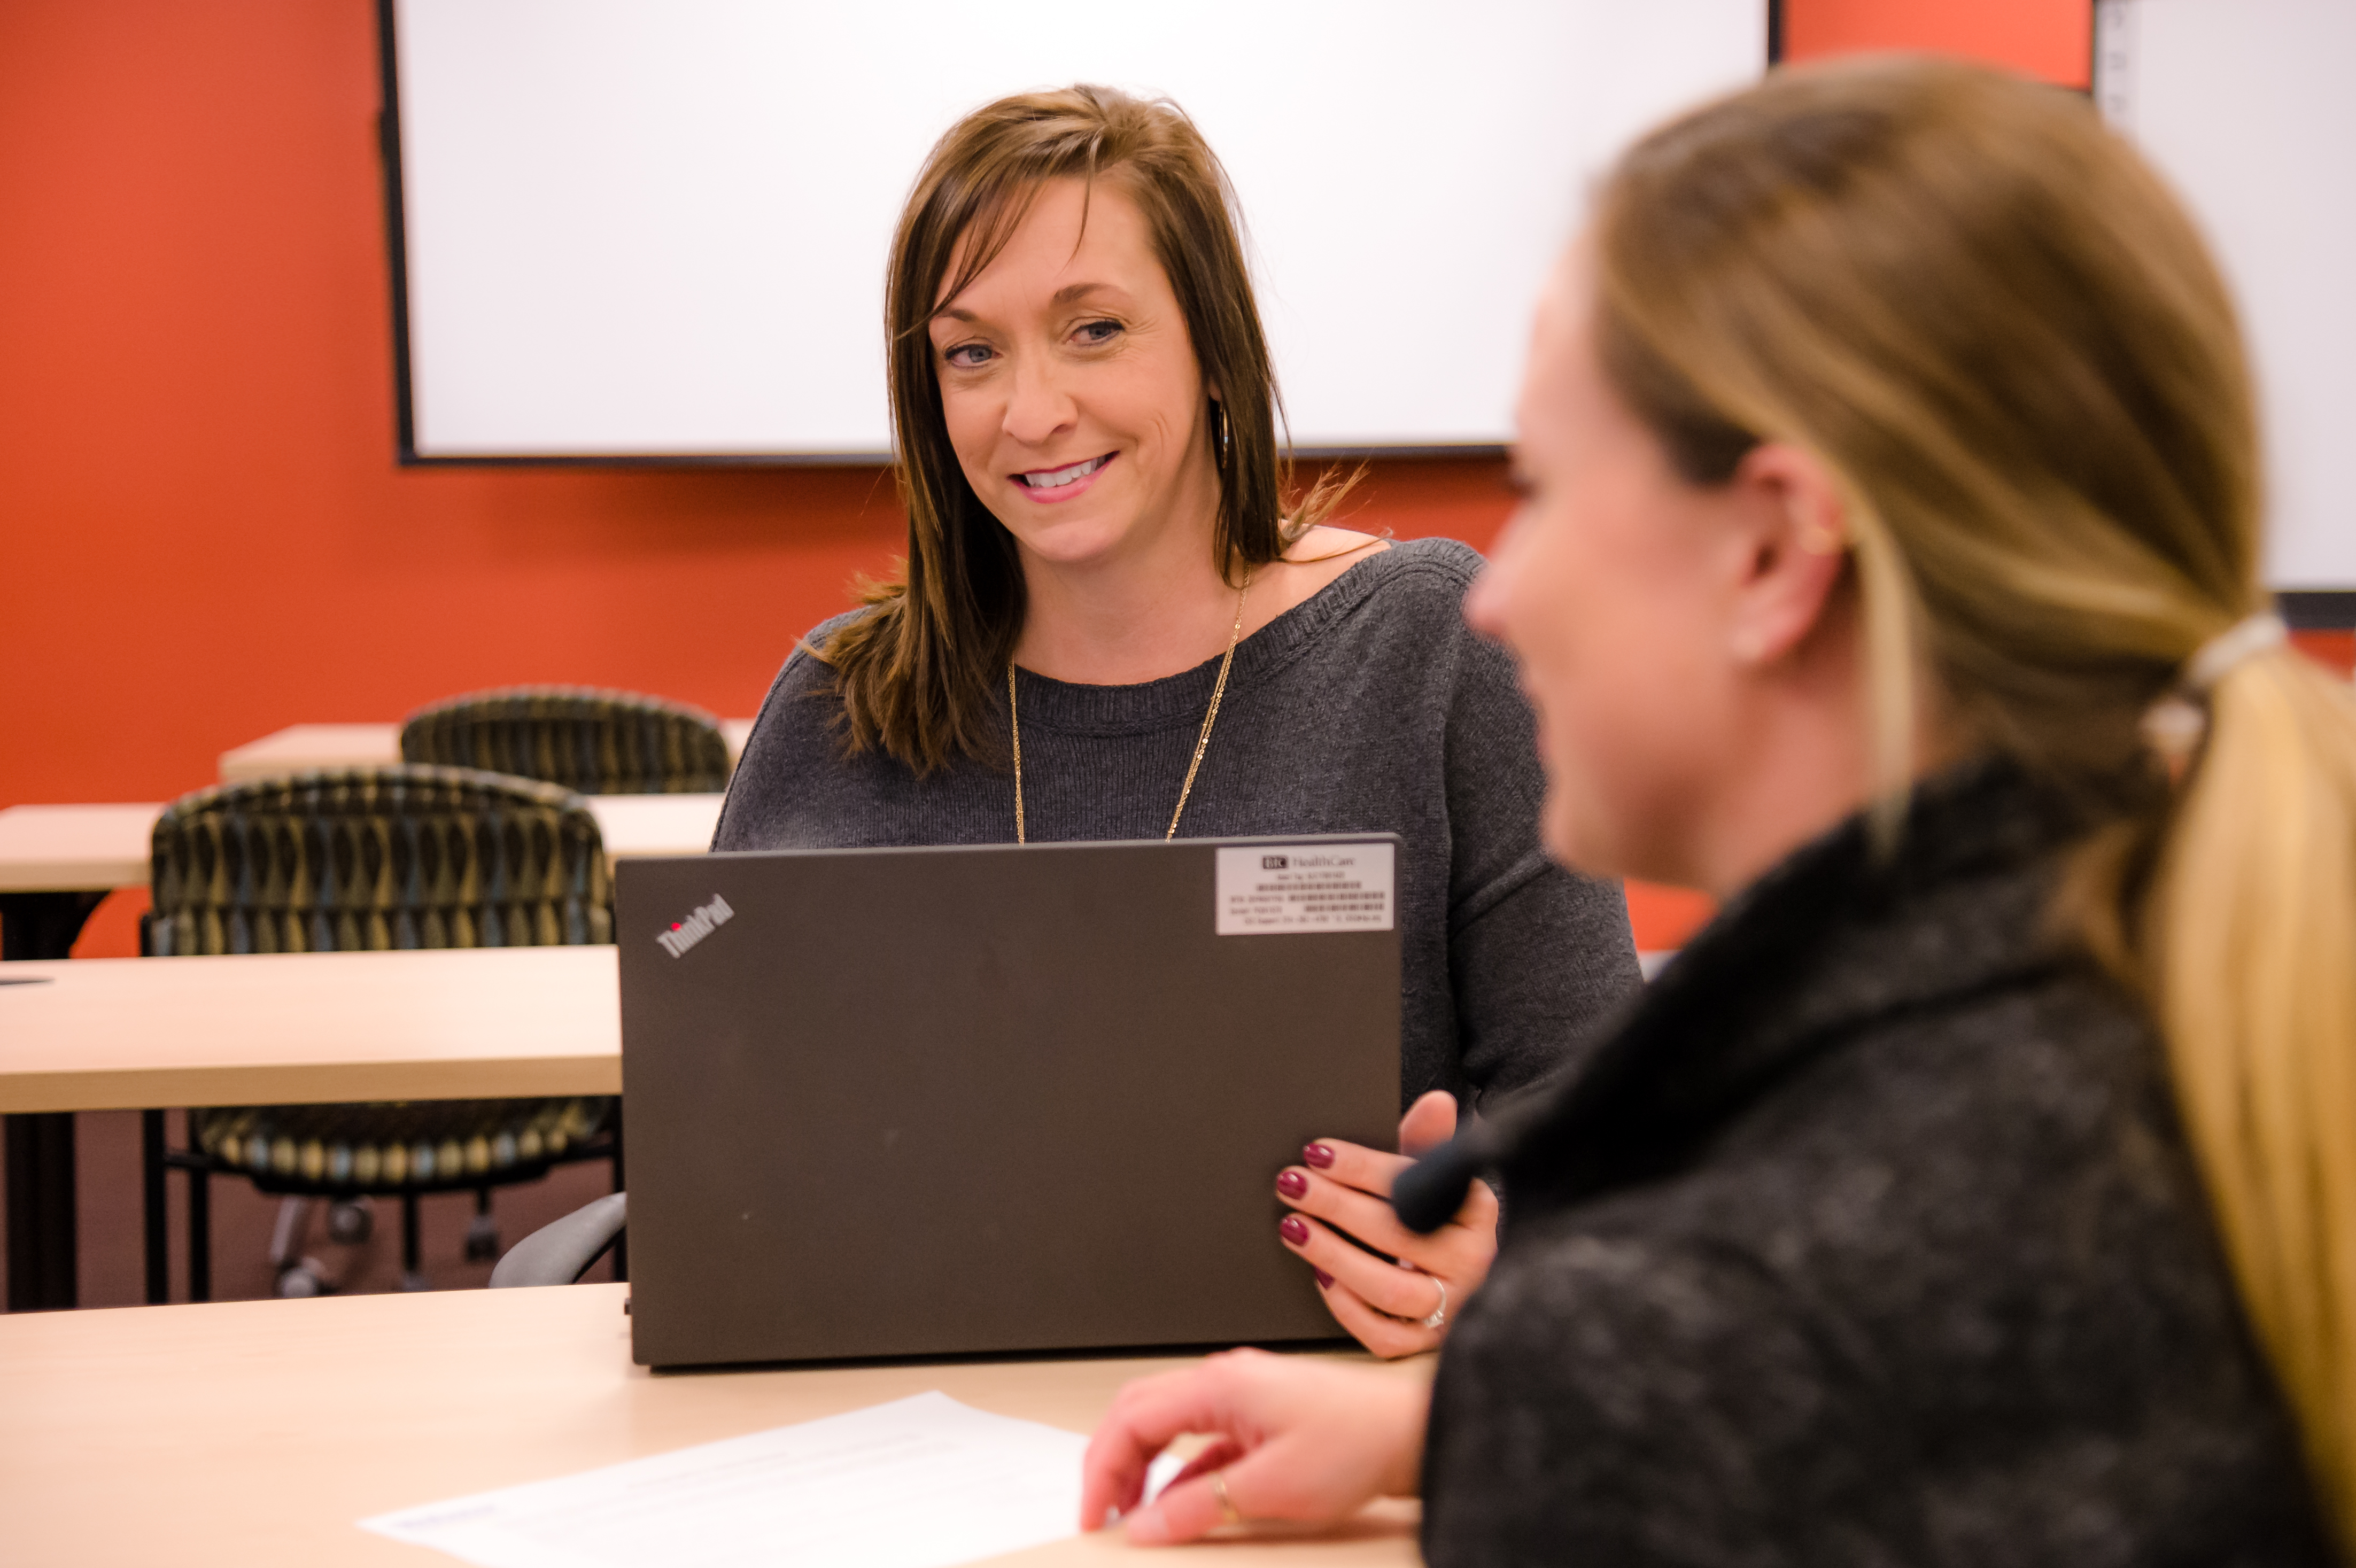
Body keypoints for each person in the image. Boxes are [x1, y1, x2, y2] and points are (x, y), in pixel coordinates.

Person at [1080, 57, 2351, 1561]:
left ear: (1772, 554)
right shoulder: (2225, 1037)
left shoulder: (1680, 1346)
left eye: (1546, 488)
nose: (1503, 598)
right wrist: (1460, 1423)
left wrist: (1566, 1410)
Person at [712, 85, 1640, 1356]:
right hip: (902, 1430)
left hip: (1327, 1423)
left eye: (1092, 330)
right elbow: (724, 1146)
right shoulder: (841, 703)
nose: (1029, 410)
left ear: (1211, 346)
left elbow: (1600, 1123)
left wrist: (1498, 1248)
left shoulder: (1430, 650)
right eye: (969, 352)